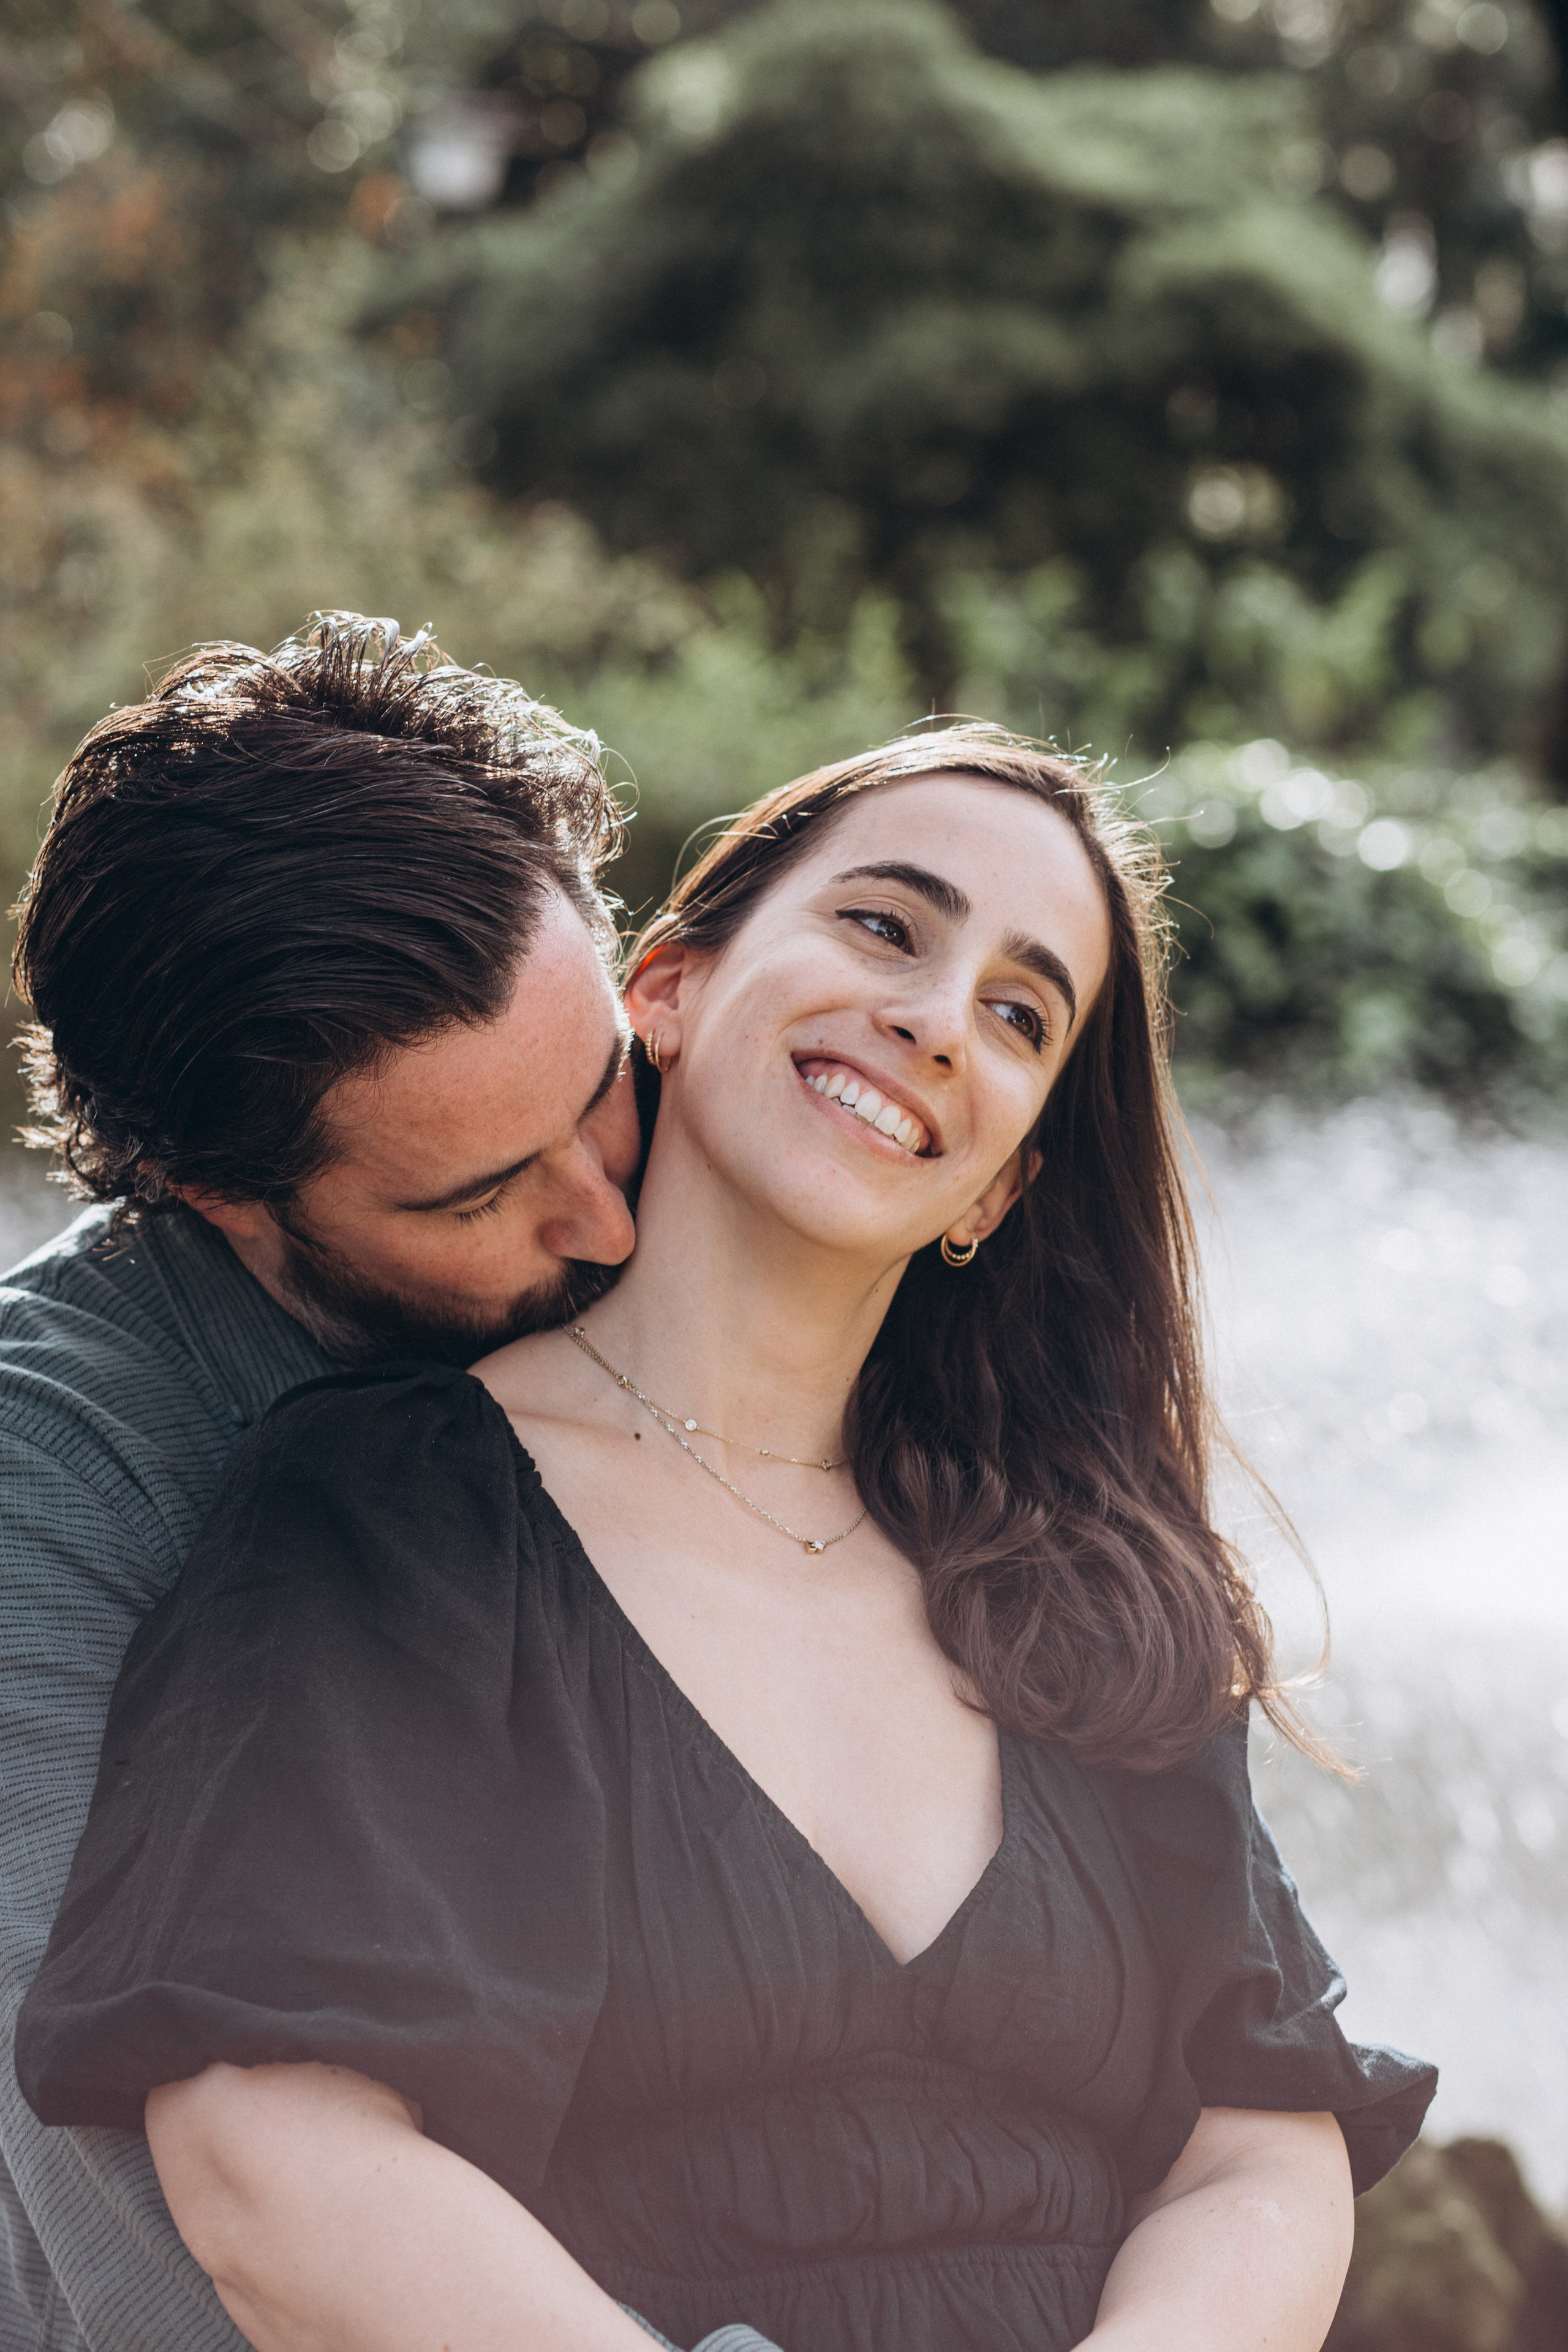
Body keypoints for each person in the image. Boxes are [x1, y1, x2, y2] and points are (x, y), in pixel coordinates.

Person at [17, 725, 1436, 2352]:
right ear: (673, 988)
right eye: (886, 925)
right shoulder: (378, 1504)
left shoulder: (1083, 1567)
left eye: (1021, 1014)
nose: (937, 1017)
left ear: (1001, 1187)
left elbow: (1259, 2137)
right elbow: (272, 2153)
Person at [0, 616, 647, 2351]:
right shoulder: (39, 1485)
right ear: (210, 1191)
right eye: (478, 1197)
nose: (609, 1221)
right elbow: (117, 2207)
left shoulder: (698, 1200)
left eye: (604, 1090)